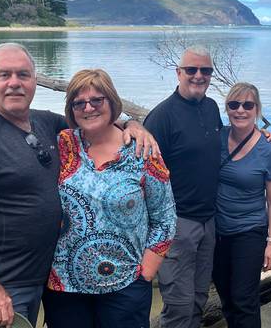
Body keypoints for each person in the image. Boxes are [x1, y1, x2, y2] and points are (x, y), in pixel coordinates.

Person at [0, 43, 157, 328]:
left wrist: (132, 124)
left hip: (49, 277)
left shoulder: (44, 123)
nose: (14, 83)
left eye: (23, 75)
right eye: (5, 75)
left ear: (34, 80)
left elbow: (92, 119)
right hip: (3, 284)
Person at [41, 69, 177, 327]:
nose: (88, 108)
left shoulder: (142, 150)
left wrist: (146, 273)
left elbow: (165, 219)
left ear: (112, 102)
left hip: (125, 285)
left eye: (97, 100)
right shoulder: (62, 144)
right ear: (71, 109)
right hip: (65, 285)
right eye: (79, 103)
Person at [143, 45, 222, 328]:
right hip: (177, 224)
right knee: (178, 303)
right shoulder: (162, 117)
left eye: (206, 70)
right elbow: (144, 176)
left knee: (199, 297)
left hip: (208, 222)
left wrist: (261, 137)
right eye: (191, 70)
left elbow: (222, 146)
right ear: (178, 73)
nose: (199, 76)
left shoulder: (212, 108)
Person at [212, 82, 271, 328]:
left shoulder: (268, 150)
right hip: (217, 232)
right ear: (227, 108)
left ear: (257, 110)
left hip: (250, 232)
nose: (240, 110)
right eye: (234, 105)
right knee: (227, 298)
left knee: (245, 299)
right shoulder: (217, 137)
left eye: (247, 105)